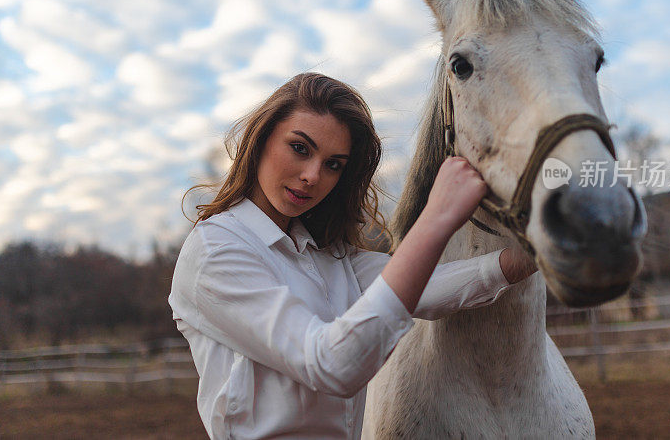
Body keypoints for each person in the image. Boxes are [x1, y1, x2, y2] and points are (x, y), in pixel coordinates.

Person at [169, 73, 536, 439]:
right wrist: (437, 216)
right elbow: (330, 365)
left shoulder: (327, 254)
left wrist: (520, 260)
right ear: (261, 140)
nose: (312, 176)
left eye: (333, 165)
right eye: (300, 148)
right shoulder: (216, 250)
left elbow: (422, 284)